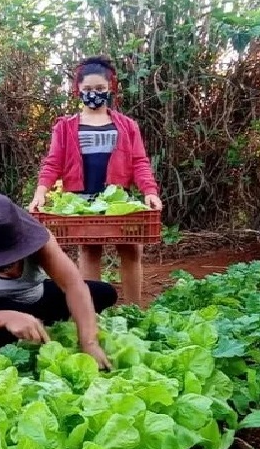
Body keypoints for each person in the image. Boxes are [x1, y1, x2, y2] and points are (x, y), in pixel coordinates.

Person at [27, 55, 162, 306]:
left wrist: (150, 191)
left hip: (118, 199)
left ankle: (135, 310)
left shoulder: (127, 125)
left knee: (132, 249)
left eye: (100, 88)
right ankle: (94, 311)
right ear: (78, 89)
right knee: (90, 250)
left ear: (110, 87)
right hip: (82, 201)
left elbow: (139, 162)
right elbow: (53, 163)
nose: (94, 93)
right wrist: (41, 192)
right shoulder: (65, 127)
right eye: (88, 88)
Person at [0, 192, 115, 367]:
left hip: (33, 299)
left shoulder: (38, 241)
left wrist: (89, 342)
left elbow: (73, 285)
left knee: (102, 293)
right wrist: (4, 318)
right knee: (4, 331)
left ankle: (36, 328)